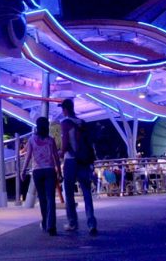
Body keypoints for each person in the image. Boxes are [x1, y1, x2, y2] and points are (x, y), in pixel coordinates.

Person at [58, 98, 98, 235]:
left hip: (71, 160)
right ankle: (91, 223)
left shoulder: (65, 123)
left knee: (69, 192)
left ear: (65, 109)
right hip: (84, 160)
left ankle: (72, 222)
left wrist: (60, 153)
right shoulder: (82, 123)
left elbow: (65, 143)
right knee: (86, 191)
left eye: (62, 109)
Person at [22, 115, 61, 235]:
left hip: (37, 171)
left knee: (42, 199)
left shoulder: (32, 140)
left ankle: (45, 222)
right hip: (49, 170)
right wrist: (59, 171)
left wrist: (23, 171)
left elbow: (28, 156)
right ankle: (51, 226)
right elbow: (56, 157)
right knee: (50, 199)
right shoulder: (51, 140)